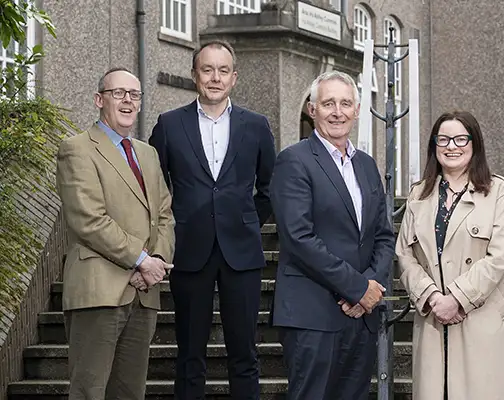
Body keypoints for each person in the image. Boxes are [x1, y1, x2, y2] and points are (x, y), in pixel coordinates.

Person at [148, 40, 276, 399]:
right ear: (195, 75)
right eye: (207, 70)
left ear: (234, 77)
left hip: (242, 253)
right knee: (189, 355)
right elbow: (154, 188)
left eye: (223, 70)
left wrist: (246, 220)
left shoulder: (257, 126)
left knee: (245, 354)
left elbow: (270, 188)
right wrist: (173, 227)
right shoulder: (170, 125)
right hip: (189, 251)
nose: (215, 78)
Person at [269, 71, 394, 400]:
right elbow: (299, 238)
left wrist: (370, 286)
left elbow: (383, 235)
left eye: (345, 103)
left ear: (357, 110)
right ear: (312, 110)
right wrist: (357, 288)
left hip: (361, 316)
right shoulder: (294, 161)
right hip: (313, 314)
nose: (337, 112)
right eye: (328, 104)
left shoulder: (366, 165)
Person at [56, 67, 175, 400]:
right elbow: (89, 220)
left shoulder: (148, 153)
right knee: (89, 391)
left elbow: (164, 215)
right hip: (98, 291)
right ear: (99, 100)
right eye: (118, 93)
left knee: (130, 393)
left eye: (134, 94)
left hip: (143, 293)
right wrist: (141, 260)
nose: (127, 101)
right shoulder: (76, 149)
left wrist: (157, 261)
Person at [396, 110, 504, 400]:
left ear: (474, 143)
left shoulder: (499, 192)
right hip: (433, 318)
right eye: (443, 140)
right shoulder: (419, 195)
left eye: (460, 139)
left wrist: (457, 299)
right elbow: (405, 254)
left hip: (480, 316)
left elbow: (500, 257)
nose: (452, 146)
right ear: (434, 145)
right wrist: (431, 296)